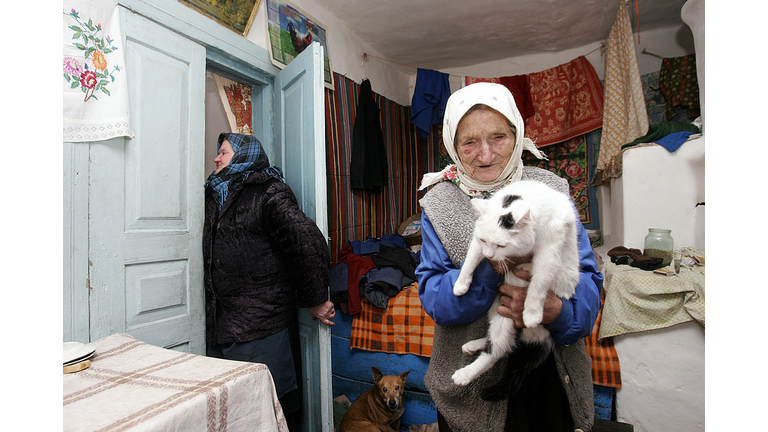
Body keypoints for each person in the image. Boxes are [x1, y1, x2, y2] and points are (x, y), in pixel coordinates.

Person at [416, 83, 603, 432]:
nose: (485, 155)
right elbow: (435, 299)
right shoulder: (438, 204)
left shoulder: (550, 191)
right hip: (470, 385)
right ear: (453, 147)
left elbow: (588, 281)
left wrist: (559, 312)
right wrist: (493, 268)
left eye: (498, 138)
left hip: (546, 373)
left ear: (517, 136)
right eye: (469, 142)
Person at [203, 133, 335, 432]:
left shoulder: (268, 191)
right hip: (222, 324)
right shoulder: (215, 193)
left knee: (267, 407)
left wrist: (316, 299)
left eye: (223, 152)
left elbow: (306, 241)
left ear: (243, 156)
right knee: (233, 410)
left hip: (261, 323)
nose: (216, 158)